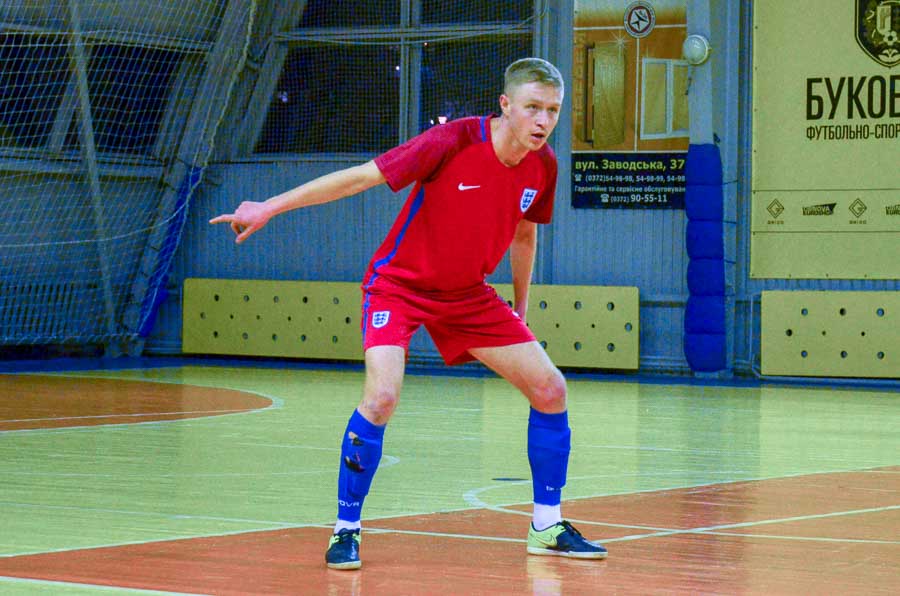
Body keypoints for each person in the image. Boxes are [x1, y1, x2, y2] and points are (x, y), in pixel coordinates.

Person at [210, 57, 607, 570]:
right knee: (381, 396)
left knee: (551, 389)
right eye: (532, 107)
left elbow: (525, 233)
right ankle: (345, 530)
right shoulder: (453, 142)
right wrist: (268, 207)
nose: (542, 121)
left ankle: (546, 524)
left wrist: (522, 307)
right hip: (398, 287)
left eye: (552, 111)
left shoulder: (544, 165)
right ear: (505, 105)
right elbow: (359, 178)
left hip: (469, 295)